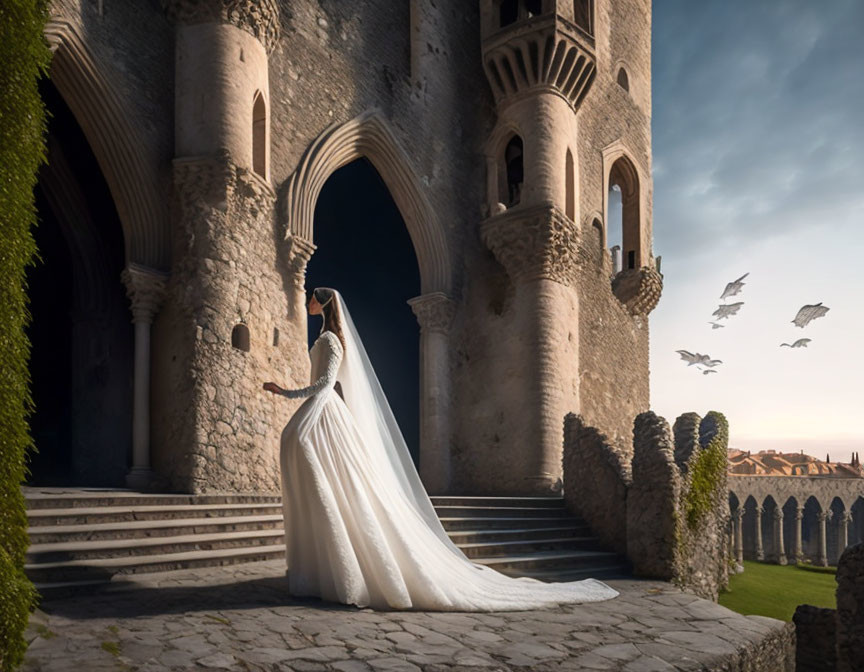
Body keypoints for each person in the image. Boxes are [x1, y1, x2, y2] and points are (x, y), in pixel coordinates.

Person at [263, 287, 617, 611]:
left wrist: (286, 393)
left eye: (312, 298)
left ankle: (341, 570)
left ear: (322, 303)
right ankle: (320, 570)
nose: (308, 303)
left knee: (314, 457)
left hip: (323, 412)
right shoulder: (327, 338)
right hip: (323, 413)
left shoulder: (331, 340)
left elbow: (325, 384)